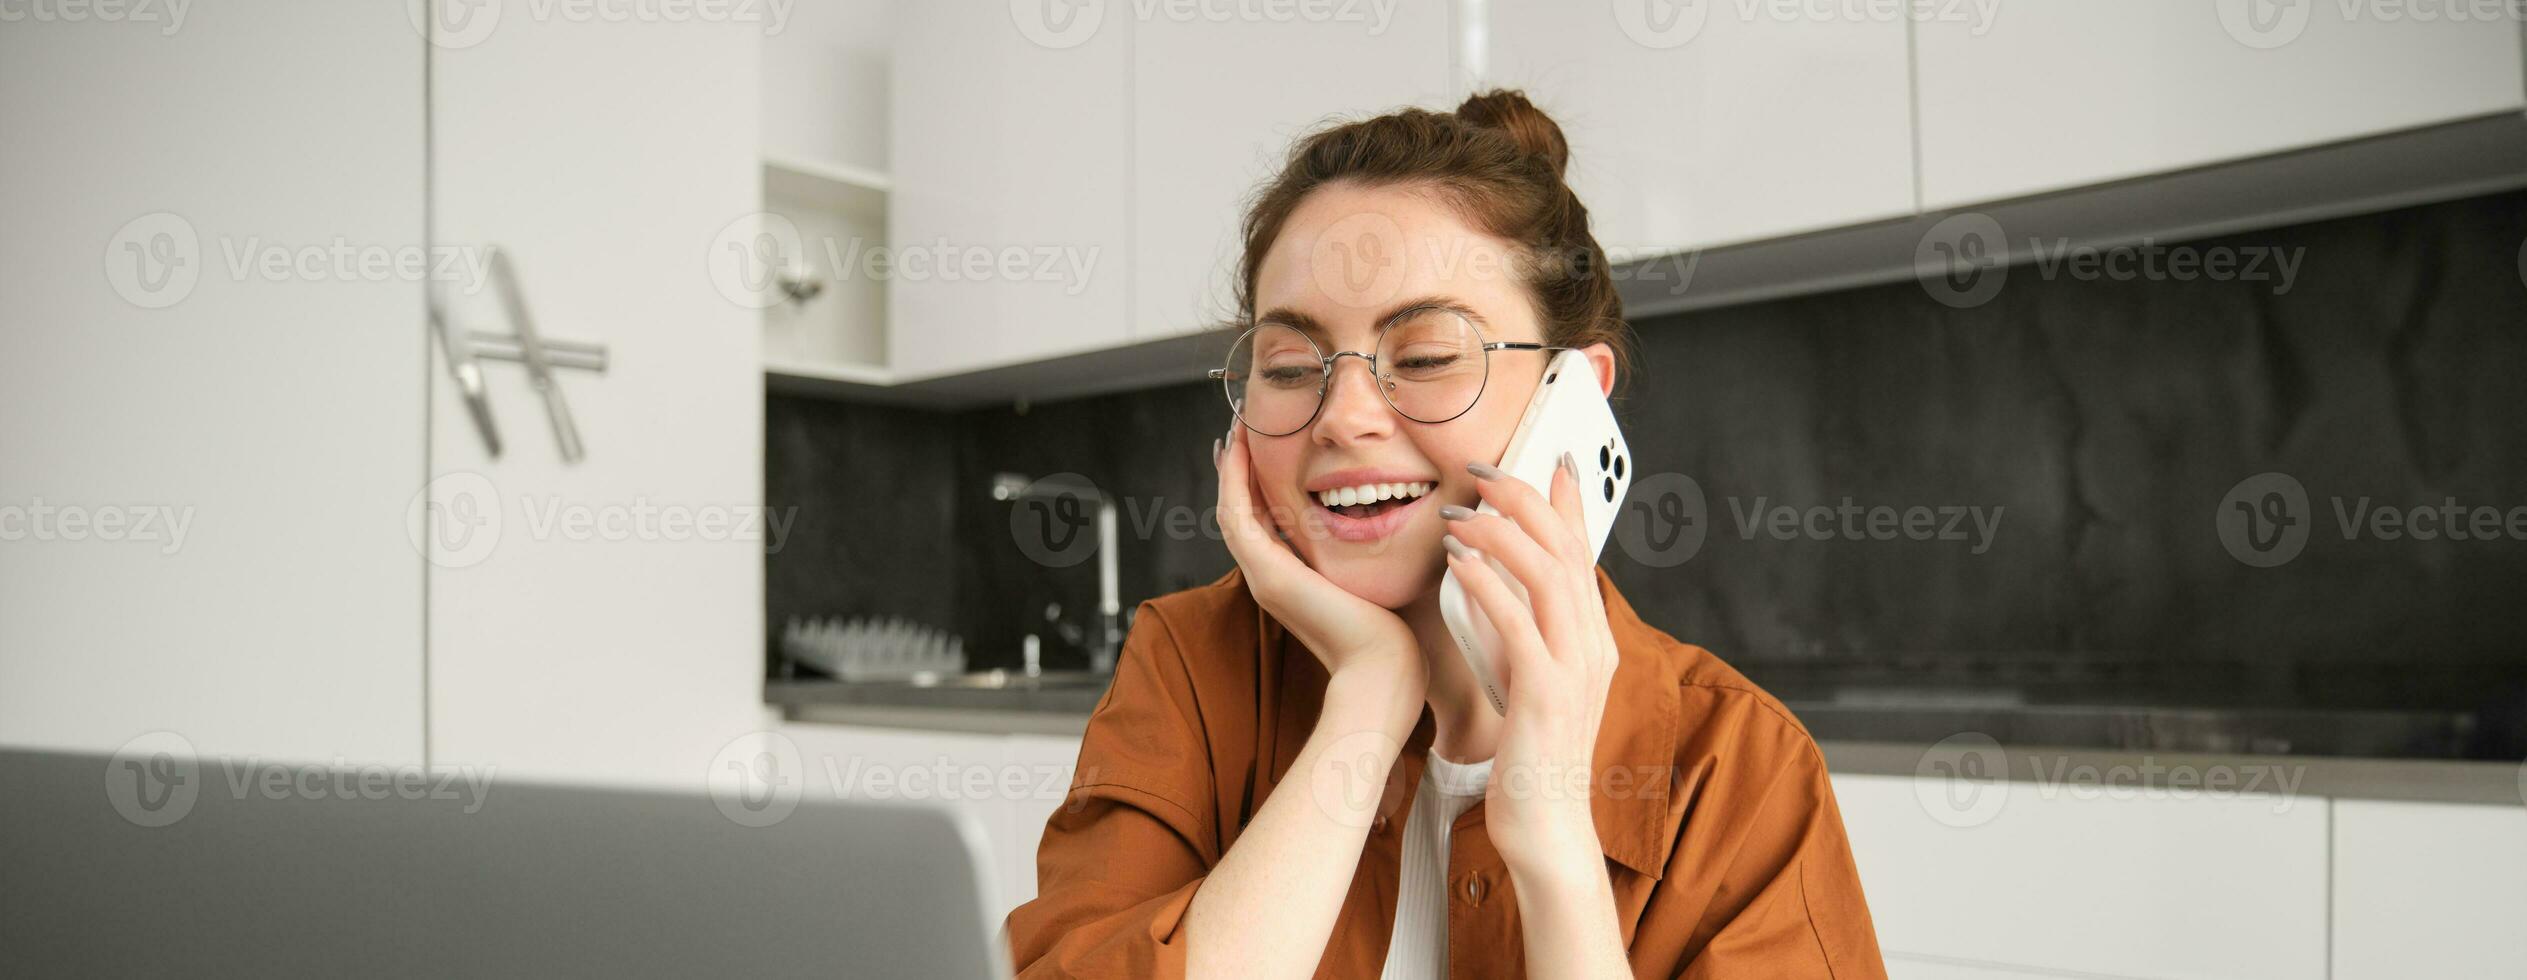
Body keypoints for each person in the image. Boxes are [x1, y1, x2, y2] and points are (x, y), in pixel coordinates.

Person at [1004, 90, 1888, 979]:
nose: (1342, 417)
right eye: (1287, 367)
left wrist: (1554, 855)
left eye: (1425, 357)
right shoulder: (1189, 668)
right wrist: (1369, 695)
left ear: (1570, 397)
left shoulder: (1737, 765)